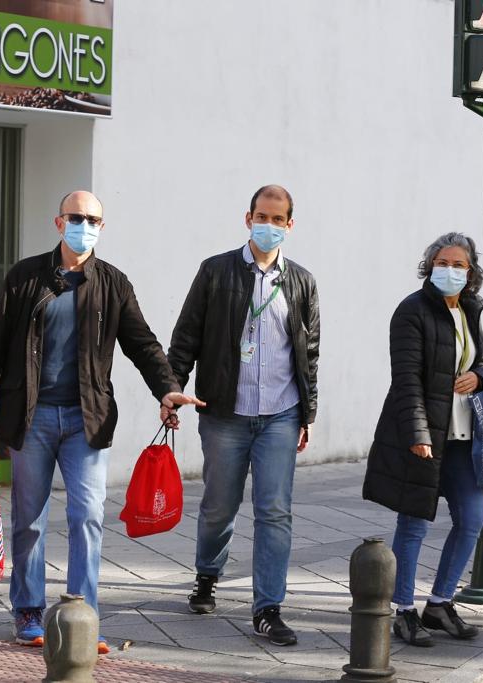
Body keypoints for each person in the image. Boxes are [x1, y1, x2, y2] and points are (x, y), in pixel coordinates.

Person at [0, 190, 203, 654]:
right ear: (59, 223)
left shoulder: (113, 283)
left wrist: (167, 388)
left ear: (102, 227)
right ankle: (29, 613)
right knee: (29, 520)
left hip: (86, 420)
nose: (84, 225)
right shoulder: (25, 277)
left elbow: (143, 344)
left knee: (87, 516)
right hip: (30, 418)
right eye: (76, 217)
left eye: (93, 219)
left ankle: (81, 615)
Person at [164, 184, 319, 646]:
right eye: (261, 217)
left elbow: (309, 352)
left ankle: (268, 608)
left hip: (280, 415)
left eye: (278, 219)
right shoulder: (216, 271)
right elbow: (186, 336)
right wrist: (172, 390)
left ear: (290, 225)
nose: (268, 226)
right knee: (219, 507)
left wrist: (307, 414)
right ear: (247, 218)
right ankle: (207, 575)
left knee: (275, 511)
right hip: (224, 414)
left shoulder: (302, 281)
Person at [363, 232, 483, 647]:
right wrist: (419, 434)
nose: (450, 270)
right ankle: (403, 610)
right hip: (421, 435)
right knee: (414, 523)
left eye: (459, 265)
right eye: (443, 262)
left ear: (470, 273)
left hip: (461, 436)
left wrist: (481, 376)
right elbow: (406, 381)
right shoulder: (411, 311)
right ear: (429, 265)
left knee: (472, 519)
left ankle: (438, 603)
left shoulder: (471, 308)